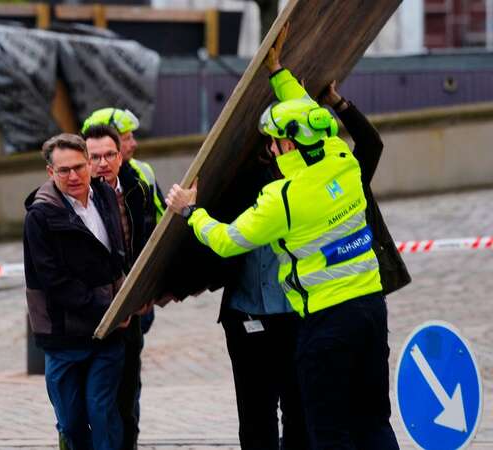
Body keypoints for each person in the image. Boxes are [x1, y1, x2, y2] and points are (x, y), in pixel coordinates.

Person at [165, 58, 400, 448]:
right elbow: (309, 114)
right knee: (375, 420)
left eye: (273, 141)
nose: (271, 149)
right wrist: (278, 73)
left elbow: (226, 240)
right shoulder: (341, 161)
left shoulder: (283, 198)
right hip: (371, 310)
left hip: (326, 322)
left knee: (327, 431)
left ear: (287, 144)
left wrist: (191, 211)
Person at [23, 133, 128, 450]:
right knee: (70, 422)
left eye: (79, 167)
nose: (73, 176)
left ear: (90, 164)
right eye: (64, 170)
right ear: (50, 172)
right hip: (63, 335)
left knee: (103, 410)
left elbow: (119, 256)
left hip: (107, 333)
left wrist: (126, 302)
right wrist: (105, 308)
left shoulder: (106, 196)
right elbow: (54, 282)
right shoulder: (39, 217)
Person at [82, 124, 154, 450]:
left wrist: (147, 291)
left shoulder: (137, 189)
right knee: (90, 405)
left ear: (120, 155)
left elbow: (147, 243)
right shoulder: (75, 198)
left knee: (128, 396)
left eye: (110, 154)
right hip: (88, 313)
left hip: (130, 309)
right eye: (94, 157)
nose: (103, 163)